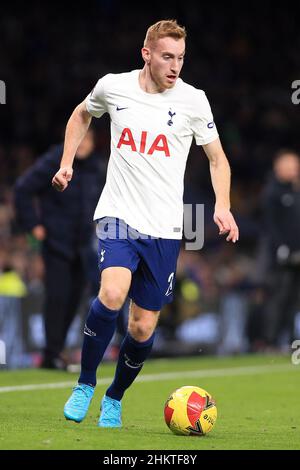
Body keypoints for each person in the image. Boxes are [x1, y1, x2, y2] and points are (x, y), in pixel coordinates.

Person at [52, 19, 239, 427]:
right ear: (147, 54)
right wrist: (66, 162)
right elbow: (82, 114)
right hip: (119, 215)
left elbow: (217, 158)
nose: (175, 66)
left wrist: (222, 204)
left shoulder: (194, 101)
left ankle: (114, 396)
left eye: (181, 58)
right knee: (113, 292)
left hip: (166, 229)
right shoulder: (113, 87)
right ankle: (84, 383)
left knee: (141, 327)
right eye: (168, 57)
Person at [14, 129, 105, 369]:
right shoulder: (55, 159)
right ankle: (51, 353)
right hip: (56, 242)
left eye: (89, 138)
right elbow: (22, 189)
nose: (84, 143)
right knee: (57, 297)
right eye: (80, 137)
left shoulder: (95, 166)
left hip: (83, 244)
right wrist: (33, 224)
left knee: (75, 298)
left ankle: (57, 350)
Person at [261, 149, 300, 349]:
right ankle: (270, 341)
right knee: (278, 298)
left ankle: (293, 341)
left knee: (294, 301)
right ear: (279, 167)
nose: (295, 170)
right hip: (279, 258)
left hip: (297, 256)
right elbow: (270, 226)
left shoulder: (295, 192)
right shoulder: (272, 192)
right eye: (290, 165)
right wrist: (281, 248)